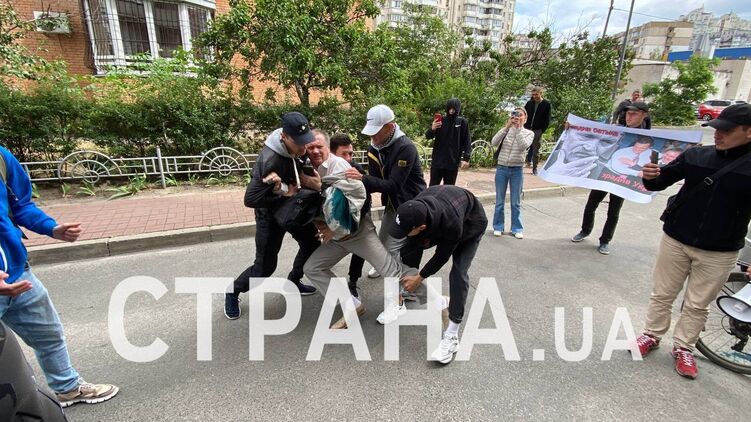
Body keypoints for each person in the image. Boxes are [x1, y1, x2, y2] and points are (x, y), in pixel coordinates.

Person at [634, 103, 751, 379]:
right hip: (676, 239)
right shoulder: (697, 156)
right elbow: (659, 182)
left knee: (698, 304)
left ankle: (684, 347)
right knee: (662, 293)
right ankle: (651, 334)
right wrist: (649, 176)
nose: (718, 135)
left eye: (727, 130)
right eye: (716, 129)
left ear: (749, 132)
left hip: (720, 251)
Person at [0, 146, 118, 408]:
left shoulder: (1, 158)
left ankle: (68, 388)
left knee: (48, 334)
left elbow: (21, 205)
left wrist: (51, 228)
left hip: (19, 272)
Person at [303, 130, 410, 328]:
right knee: (312, 268)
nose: (315, 151)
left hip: (357, 232)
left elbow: (357, 201)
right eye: (311, 147)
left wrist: (332, 226)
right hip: (336, 238)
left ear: (328, 147)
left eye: (319, 146)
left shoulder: (339, 165)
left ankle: (409, 301)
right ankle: (351, 305)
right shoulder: (305, 167)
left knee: (388, 268)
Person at [225, 112, 320, 320]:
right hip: (269, 216)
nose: (304, 147)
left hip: (293, 209)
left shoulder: (299, 149)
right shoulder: (270, 159)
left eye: (306, 140)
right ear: (284, 137)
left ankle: (293, 280)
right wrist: (283, 193)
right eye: (299, 142)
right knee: (265, 268)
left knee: (312, 243)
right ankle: (233, 291)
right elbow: (250, 199)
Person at [390, 185, 488, 364]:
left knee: (458, 272)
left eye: (406, 230)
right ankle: (405, 294)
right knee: (408, 249)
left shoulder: (451, 222)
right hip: (442, 212)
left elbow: (441, 256)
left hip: (471, 224)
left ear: (421, 227)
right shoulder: (414, 209)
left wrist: (419, 278)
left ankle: (452, 336)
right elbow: (410, 245)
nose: (402, 234)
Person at [344, 104, 427, 284]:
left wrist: (362, 179)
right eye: (370, 133)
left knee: (394, 248)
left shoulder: (406, 147)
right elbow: (375, 181)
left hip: (411, 204)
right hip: (392, 203)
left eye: (376, 132)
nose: (372, 138)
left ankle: (401, 287)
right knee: (380, 244)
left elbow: (394, 185)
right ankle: (385, 265)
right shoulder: (374, 148)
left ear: (389, 127)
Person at [570, 101, 651, 255]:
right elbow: (593, 135)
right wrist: (572, 128)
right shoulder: (617, 130)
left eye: (634, 114)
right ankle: (585, 230)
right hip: (606, 174)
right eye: (628, 113)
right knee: (591, 204)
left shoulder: (649, 136)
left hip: (623, 180)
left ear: (644, 115)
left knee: (613, 211)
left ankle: (605, 240)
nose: (629, 117)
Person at [329, 133, 366, 298]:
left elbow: (365, 199)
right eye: (344, 154)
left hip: (355, 217)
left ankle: (353, 281)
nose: (349, 158)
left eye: (350, 153)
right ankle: (297, 277)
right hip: (331, 219)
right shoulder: (323, 168)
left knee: (360, 249)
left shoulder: (355, 169)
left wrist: (355, 223)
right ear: (332, 153)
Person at [491, 108, 534, 238]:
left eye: (520, 115)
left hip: (517, 170)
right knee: (499, 200)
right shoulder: (506, 130)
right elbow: (494, 142)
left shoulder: (529, 133)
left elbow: (523, 146)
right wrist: (507, 127)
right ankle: (498, 226)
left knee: (515, 202)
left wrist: (518, 129)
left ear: (525, 118)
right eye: (515, 114)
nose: (516, 117)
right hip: (502, 168)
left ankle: (517, 228)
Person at [425, 98, 471, 186]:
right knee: (433, 187)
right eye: (450, 108)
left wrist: (466, 158)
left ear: (457, 109)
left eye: (454, 109)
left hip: (452, 163)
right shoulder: (441, 121)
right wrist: (432, 129)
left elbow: (467, 141)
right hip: (437, 162)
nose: (451, 111)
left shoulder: (462, 122)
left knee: (448, 189)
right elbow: (428, 136)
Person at [523, 87, 552, 175]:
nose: (534, 96)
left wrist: (542, 130)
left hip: (537, 130)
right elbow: (524, 114)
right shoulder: (529, 103)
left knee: (536, 151)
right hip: (527, 129)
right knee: (522, 148)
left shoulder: (546, 104)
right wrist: (523, 126)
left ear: (541, 93)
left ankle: (535, 169)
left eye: (536, 94)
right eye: (533, 95)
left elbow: (547, 119)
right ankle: (518, 166)